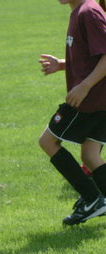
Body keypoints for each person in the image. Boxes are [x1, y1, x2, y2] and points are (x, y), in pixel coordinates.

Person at [38, 0, 106, 225]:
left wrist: (85, 86)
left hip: (90, 100)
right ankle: (97, 200)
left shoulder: (88, 12)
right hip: (99, 100)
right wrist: (61, 64)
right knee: (90, 155)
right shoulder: (80, 11)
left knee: (48, 142)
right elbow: (90, 57)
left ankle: (92, 199)